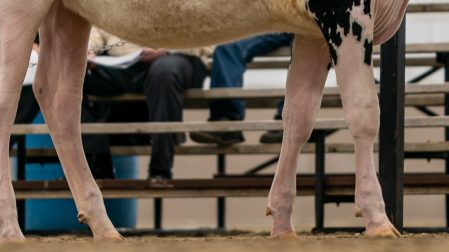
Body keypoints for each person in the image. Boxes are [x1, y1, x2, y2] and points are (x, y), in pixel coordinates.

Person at [84, 27, 210, 184]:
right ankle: (98, 168)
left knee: (164, 71)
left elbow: (207, 33)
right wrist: (88, 48)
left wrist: (167, 49)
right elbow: (98, 29)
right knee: (72, 75)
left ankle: (160, 171)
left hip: (177, 57)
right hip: (123, 62)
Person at [189, 33, 293, 146]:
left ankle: (290, 122)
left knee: (303, 48)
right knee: (227, 45)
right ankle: (226, 123)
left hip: (303, 29)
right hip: (276, 27)